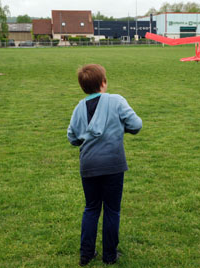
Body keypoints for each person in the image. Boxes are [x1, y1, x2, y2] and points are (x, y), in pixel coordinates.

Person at [67, 64, 142, 266]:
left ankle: (86, 254)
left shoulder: (78, 107)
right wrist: (119, 129)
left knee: (91, 208)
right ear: (104, 83)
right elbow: (136, 125)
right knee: (111, 210)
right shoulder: (116, 101)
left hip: (88, 165)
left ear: (83, 87)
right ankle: (109, 256)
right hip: (113, 165)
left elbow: (72, 137)